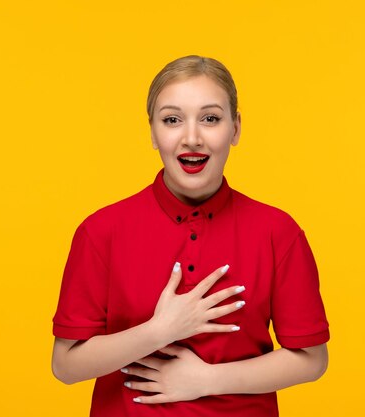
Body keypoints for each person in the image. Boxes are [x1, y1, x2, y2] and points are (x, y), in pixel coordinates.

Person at [51, 55, 330, 417]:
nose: (192, 137)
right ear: (152, 132)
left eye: (210, 118)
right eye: (172, 120)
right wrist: (159, 330)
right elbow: (66, 366)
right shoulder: (101, 231)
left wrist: (208, 380)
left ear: (236, 128)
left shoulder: (278, 232)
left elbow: (311, 360)